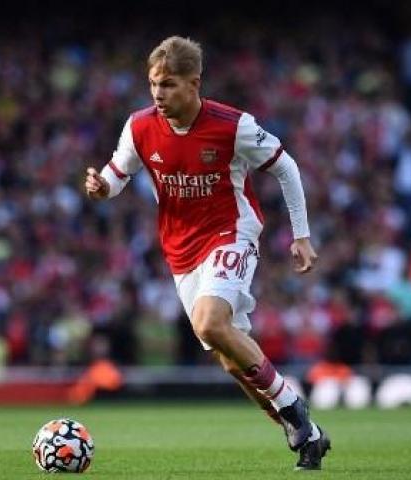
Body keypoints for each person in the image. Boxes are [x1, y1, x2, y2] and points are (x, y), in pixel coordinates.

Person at [84, 36, 330, 470]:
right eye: (154, 84)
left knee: (209, 322)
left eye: (169, 85)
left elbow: (285, 166)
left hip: (230, 232)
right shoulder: (140, 126)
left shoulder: (232, 126)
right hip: (180, 250)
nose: (159, 94)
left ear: (194, 83)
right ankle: (307, 435)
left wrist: (302, 234)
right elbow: (117, 171)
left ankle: (293, 408)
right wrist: (103, 188)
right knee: (230, 357)